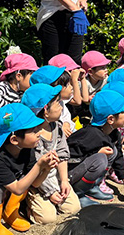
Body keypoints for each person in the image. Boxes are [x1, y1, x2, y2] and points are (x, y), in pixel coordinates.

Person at [0, 103, 58, 235]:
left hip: (8, 189)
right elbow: (17, 188)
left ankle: (10, 211)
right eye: (33, 131)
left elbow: (34, 183)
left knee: (25, 178)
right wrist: (39, 165)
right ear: (14, 139)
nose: (39, 133)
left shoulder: (26, 149)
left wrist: (46, 169)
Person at [22, 84, 81, 224]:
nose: (62, 107)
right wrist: (49, 192)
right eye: (58, 103)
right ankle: (27, 205)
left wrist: (64, 181)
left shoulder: (56, 126)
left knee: (73, 207)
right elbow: (35, 170)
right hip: (36, 183)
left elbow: (62, 154)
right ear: (45, 111)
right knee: (47, 218)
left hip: (54, 177)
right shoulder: (32, 137)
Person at [67, 91, 124, 204]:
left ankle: (91, 187)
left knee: (113, 151)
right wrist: (95, 152)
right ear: (110, 119)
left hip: (80, 169)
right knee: (101, 159)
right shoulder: (90, 135)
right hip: (67, 173)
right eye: (123, 112)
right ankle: (78, 194)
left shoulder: (114, 133)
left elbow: (118, 156)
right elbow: (68, 157)